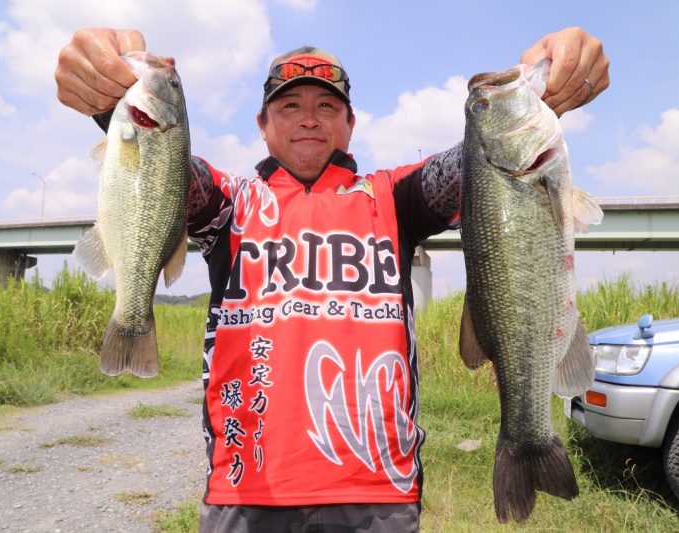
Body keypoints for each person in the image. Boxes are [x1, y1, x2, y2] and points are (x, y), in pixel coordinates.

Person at [55, 28, 610, 532]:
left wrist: (547, 79)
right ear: (263, 125)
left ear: (350, 123)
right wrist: (109, 103)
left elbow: (484, 162)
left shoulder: (396, 196)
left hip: (378, 494)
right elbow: (164, 171)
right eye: (289, 105)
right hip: (244, 492)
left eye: (327, 106)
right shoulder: (227, 202)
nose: (309, 118)